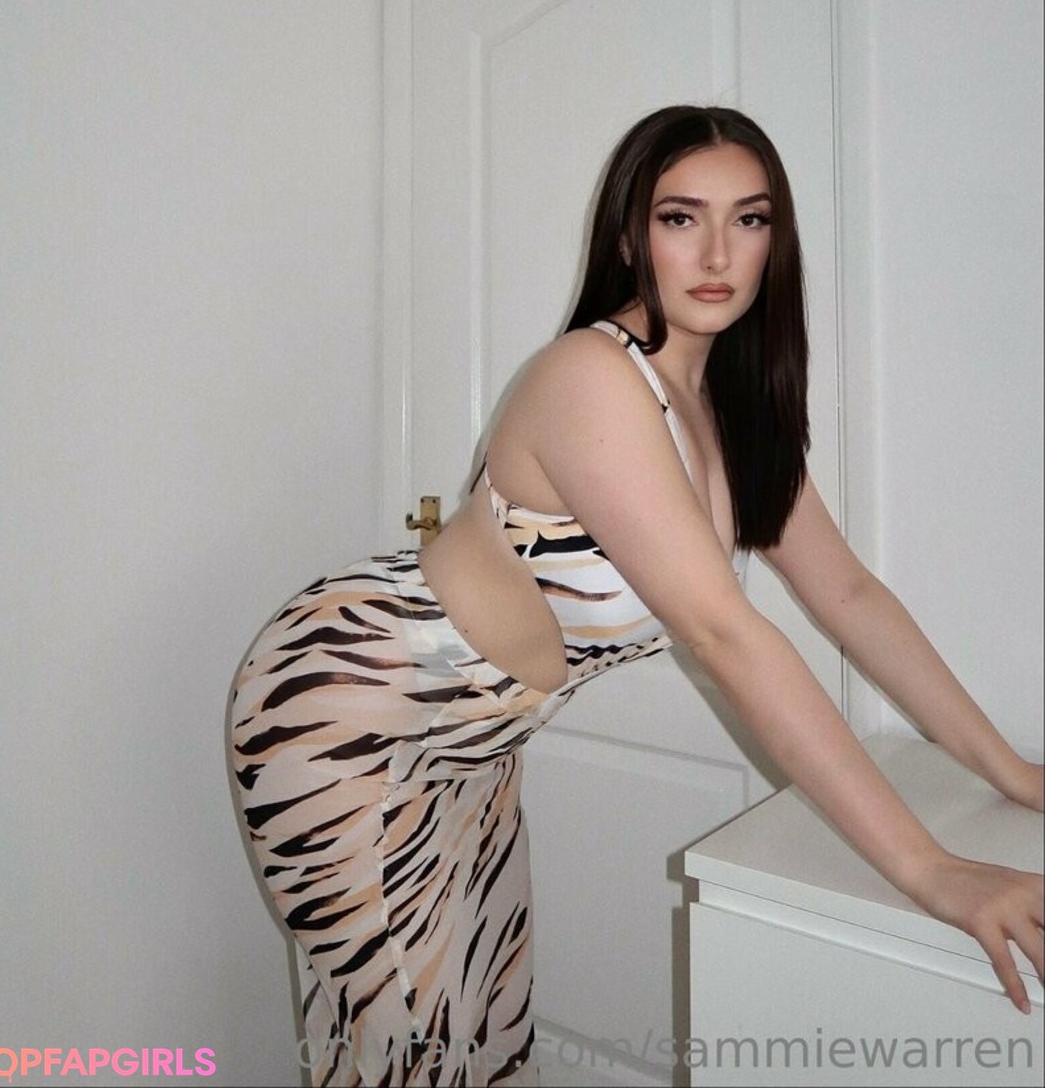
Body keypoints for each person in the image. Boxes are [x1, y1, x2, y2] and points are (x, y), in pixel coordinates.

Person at [231, 106, 1043, 1087]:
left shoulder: (732, 406)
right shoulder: (591, 376)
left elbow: (849, 593)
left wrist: (1014, 772)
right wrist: (931, 869)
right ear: (629, 235)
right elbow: (724, 631)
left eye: (749, 219)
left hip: (471, 740)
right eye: (679, 217)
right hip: (347, 705)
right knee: (408, 1052)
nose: (717, 253)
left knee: (490, 1035)